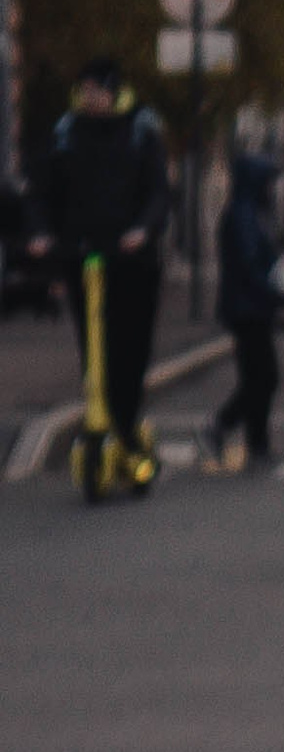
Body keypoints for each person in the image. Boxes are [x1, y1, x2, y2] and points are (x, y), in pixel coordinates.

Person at [28, 60, 170, 457]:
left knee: (129, 347)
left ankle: (125, 423)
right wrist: (41, 235)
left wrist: (142, 230)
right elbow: (41, 190)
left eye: (96, 91)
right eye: (84, 91)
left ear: (113, 92)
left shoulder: (140, 131)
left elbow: (158, 191)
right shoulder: (66, 134)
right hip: (82, 255)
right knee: (94, 346)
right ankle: (102, 419)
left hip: (132, 261)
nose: (90, 98)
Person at [209, 147, 284, 468]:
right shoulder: (243, 216)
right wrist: (276, 294)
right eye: (267, 182)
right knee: (262, 377)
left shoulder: (248, 212)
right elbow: (249, 265)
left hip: (251, 306)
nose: (272, 189)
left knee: (260, 377)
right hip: (248, 308)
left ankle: (257, 442)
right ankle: (224, 428)